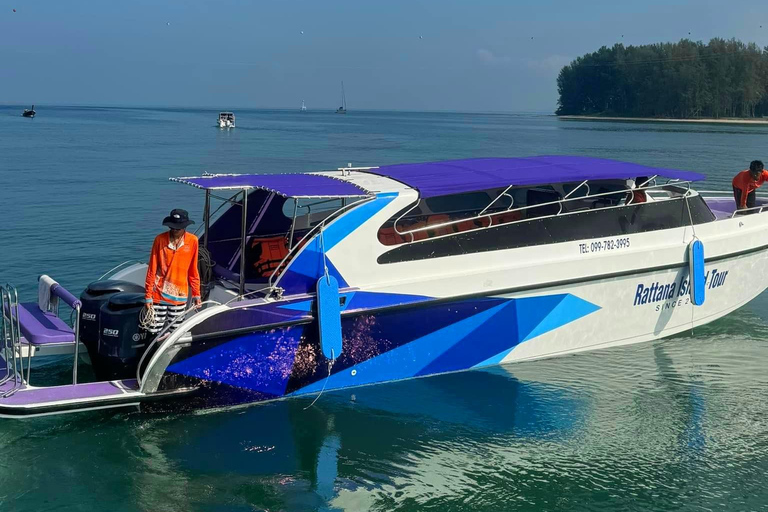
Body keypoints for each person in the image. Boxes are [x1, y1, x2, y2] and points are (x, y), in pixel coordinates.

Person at [144, 209, 201, 336]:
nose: (175, 230)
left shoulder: (193, 241)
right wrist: (148, 296)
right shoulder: (159, 240)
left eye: (178, 228)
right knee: (153, 330)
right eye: (173, 228)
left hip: (179, 295)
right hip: (158, 294)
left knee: (175, 331)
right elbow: (152, 269)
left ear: (185, 227)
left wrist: (196, 294)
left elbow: (193, 270)